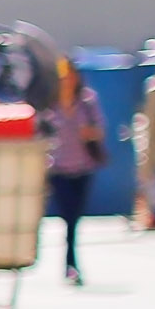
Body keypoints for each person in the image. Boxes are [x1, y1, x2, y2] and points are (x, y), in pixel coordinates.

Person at [44, 58, 106, 286]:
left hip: (82, 167)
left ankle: (71, 262)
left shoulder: (87, 101)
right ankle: (71, 263)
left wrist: (87, 131)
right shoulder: (50, 104)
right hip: (58, 168)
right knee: (67, 215)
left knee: (75, 217)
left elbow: (99, 130)